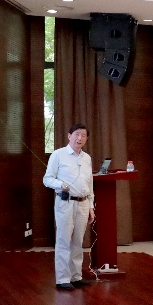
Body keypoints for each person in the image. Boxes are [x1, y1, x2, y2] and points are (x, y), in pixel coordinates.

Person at [43, 123, 95, 291]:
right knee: (64, 240)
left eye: (83, 136)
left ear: (86, 139)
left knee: (78, 241)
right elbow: (47, 179)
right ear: (69, 136)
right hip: (65, 202)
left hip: (83, 203)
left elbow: (90, 184)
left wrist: (91, 206)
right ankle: (63, 278)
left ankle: (76, 276)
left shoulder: (86, 158)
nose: (80, 138)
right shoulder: (58, 155)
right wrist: (61, 184)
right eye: (77, 134)